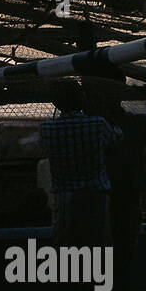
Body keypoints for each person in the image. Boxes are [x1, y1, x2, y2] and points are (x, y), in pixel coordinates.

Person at [38, 81, 120, 248]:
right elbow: (116, 139)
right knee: (98, 244)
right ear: (82, 99)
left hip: (64, 197)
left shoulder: (47, 128)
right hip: (95, 195)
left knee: (66, 245)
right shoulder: (98, 124)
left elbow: (44, 148)